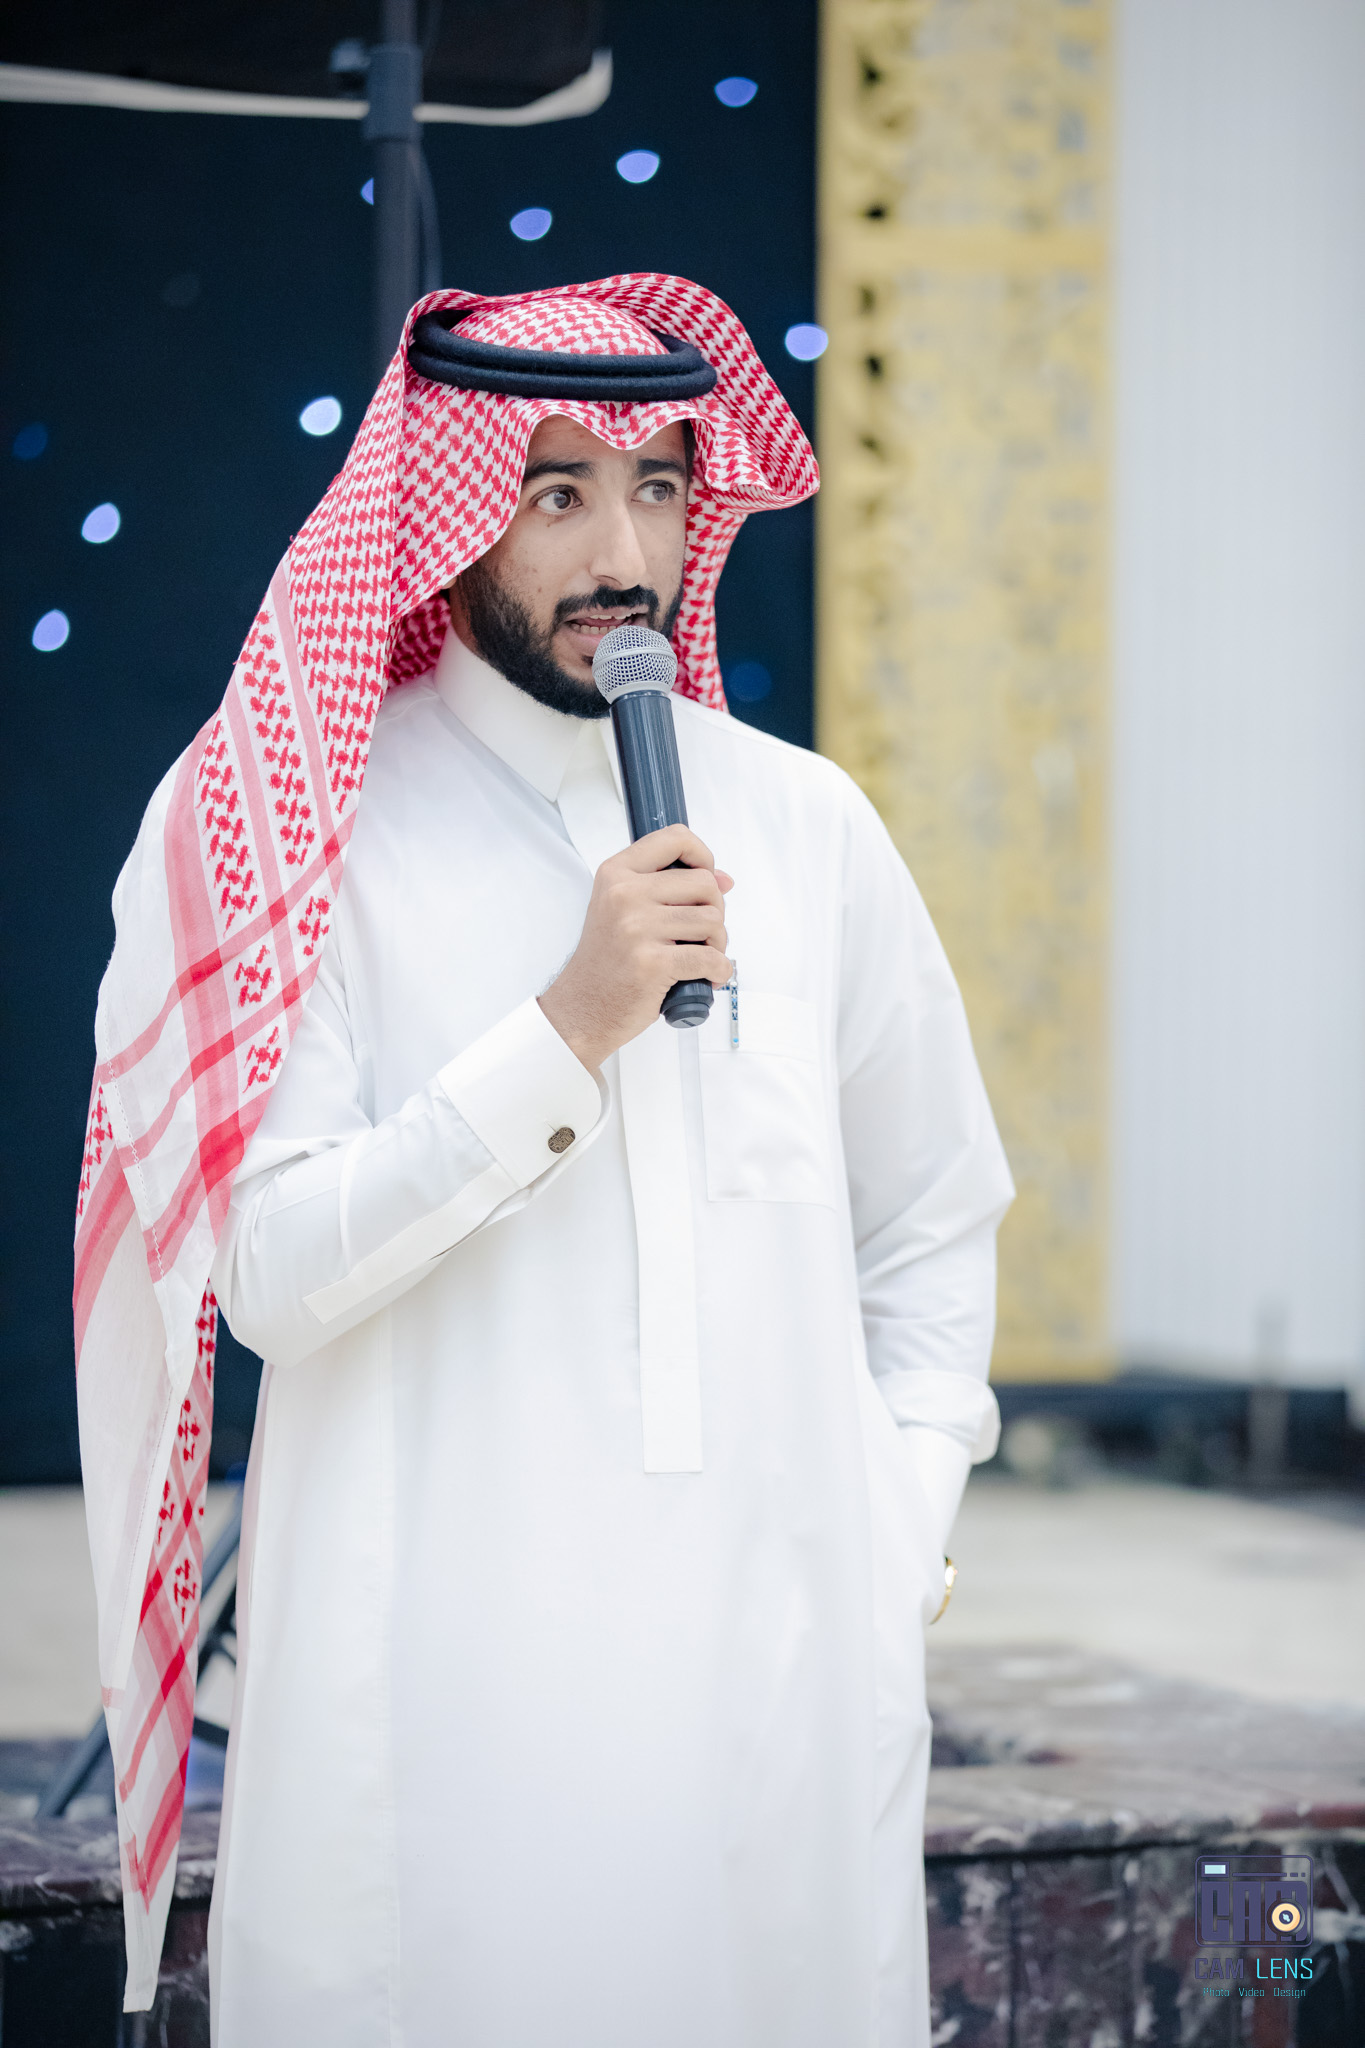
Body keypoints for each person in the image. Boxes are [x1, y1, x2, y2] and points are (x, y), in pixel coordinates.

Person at [75, 275, 1013, 2047]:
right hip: (451, 1698)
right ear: (446, 511)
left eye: (658, 488)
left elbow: (932, 1216)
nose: (622, 554)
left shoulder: (803, 822)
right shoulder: (295, 828)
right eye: (556, 490)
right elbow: (264, 1278)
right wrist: (566, 1027)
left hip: (786, 1683)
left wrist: (901, 1518)